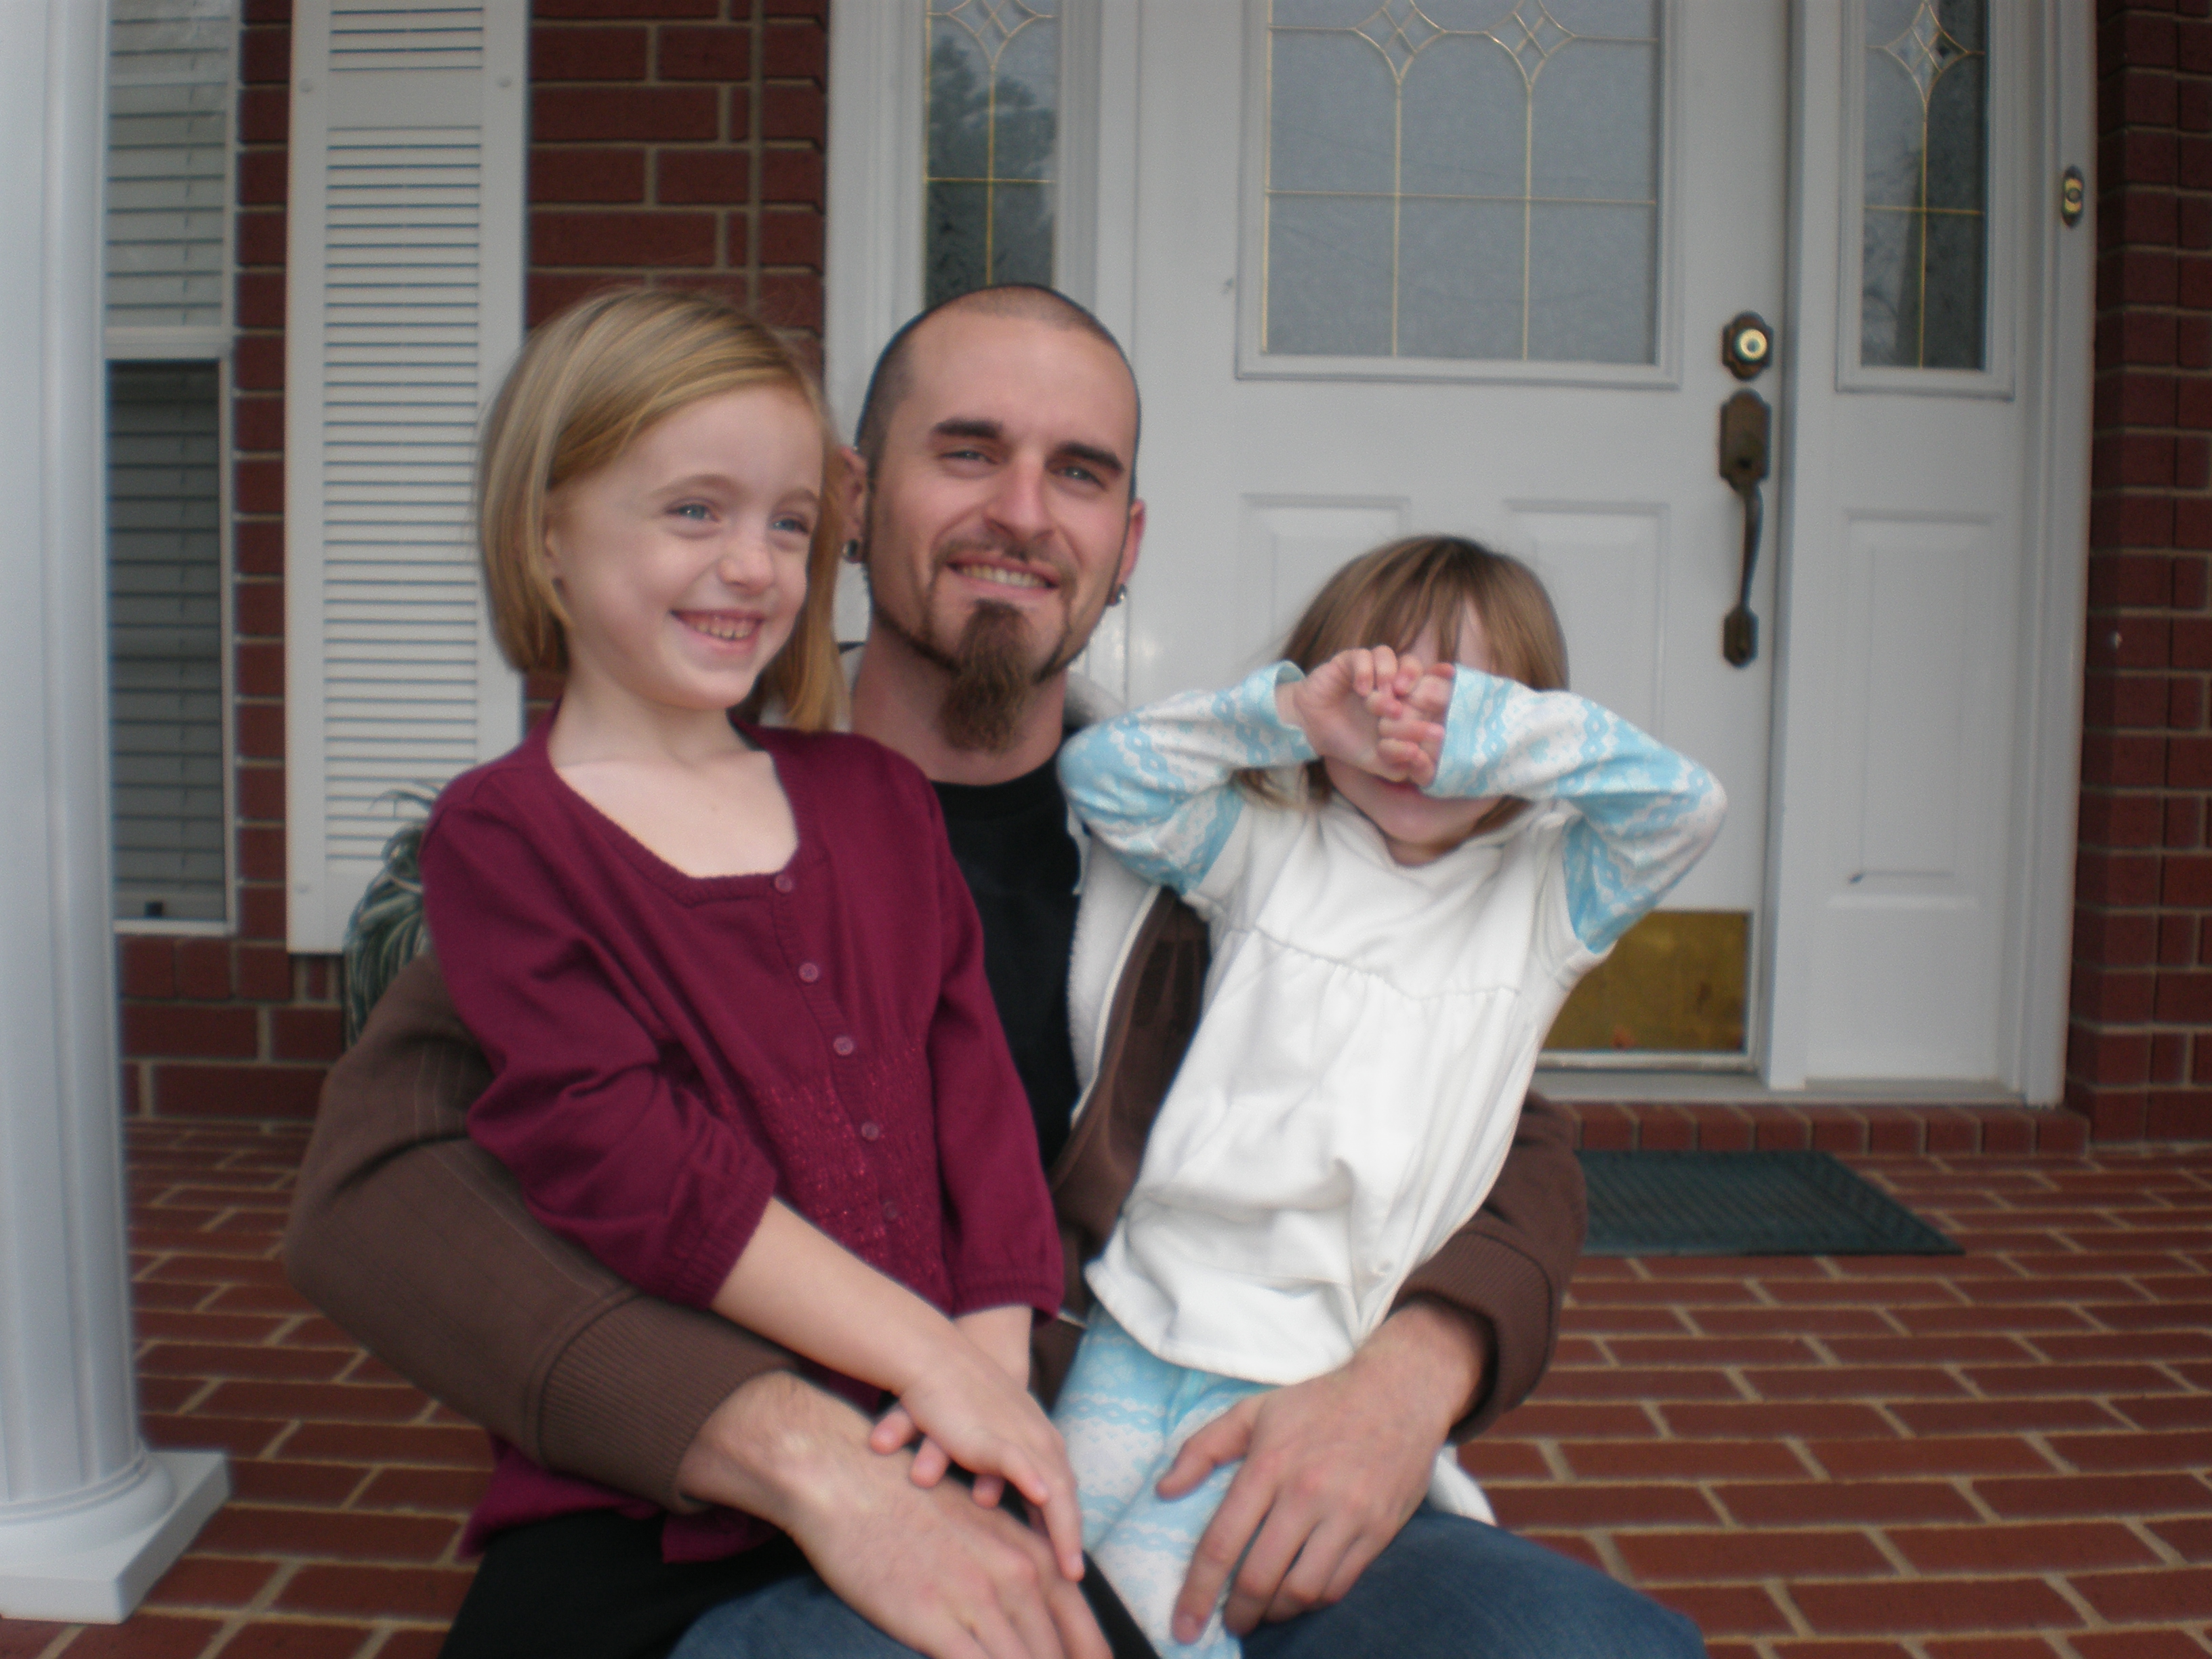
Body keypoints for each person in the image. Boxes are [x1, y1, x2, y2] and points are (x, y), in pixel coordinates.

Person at [286, 283, 1711, 1659]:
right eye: (968, 451)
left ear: (1126, 538)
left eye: (1079, 473)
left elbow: (1504, 1119)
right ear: (856, 499)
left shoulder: (1238, 842)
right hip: (755, 1494)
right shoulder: (624, 825)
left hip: (1173, 1462)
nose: (1024, 514)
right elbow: (380, 1189)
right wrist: (791, 1448)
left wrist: (1411, 1376)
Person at [411, 285, 1084, 1627]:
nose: (756, 566)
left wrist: (989, 1366)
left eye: (788, 524)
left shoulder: (875, 799)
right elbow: (619, 1153)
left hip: (945, 1437)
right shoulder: (507, 836)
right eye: (693, 511)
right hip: (660, 1500)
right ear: (546, 533)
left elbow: (976, 1100)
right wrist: (925, 1359)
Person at [1048, 538, 1725, 1654]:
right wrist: (1290, 718)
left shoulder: (1543, 901)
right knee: (1045, 1567)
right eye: (1384, 701)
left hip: (1304, 1367)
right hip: (1141, 1308)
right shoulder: (1270, 848)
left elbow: (1687, 807)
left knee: (1158, 1615)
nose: (1415, 746)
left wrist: (1497, 735)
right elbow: (1104, 777)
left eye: (1458, 712)